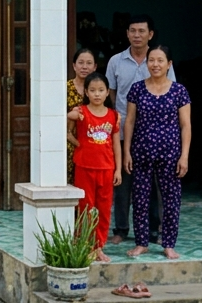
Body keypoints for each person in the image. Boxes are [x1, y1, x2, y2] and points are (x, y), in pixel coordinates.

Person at [105, 15, 174, 244]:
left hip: (153, 135)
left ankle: (153, 230)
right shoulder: (116, 61)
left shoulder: (158, 59)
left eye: (141, 31)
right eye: (132, 31)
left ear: (150, 34)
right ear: (127, 34)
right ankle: (121, 229)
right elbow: (112, 94)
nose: (137, 35)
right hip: (123, 131)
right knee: (123, 182)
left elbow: (171, 91)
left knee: (153, 183)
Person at [123, 45, 192, 260]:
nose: (155, 64)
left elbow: (185, 125)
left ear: (169, 64)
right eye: (151, 60)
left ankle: (168, 244)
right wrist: (126, 152)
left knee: (171, 200)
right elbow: (130, 121)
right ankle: (141, 243)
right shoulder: (137, 89)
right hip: (141, 152)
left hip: (170, 153)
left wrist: (184, 156)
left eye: (160, 60)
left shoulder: (179, 91)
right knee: (141, 199)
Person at [66, 72, 120, 263]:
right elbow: (65, 128)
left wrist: (118, 169)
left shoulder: (113, 116)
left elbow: (116, 145)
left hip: (106, 169)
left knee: (104, 210)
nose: (97, 94)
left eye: (101, 90)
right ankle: (86, 246)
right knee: (85, 209)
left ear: (107, 93)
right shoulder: (81, 112)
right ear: (86, 92)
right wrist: (77, 143)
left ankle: (99, 247)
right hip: (85, 168)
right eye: (92, 90)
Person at [66, 48, 97, 185]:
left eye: (89, 63)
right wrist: (70, 115)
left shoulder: (98, 88)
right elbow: (53, 116)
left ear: (95, 66)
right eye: (81, 62)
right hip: (68, 143)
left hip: (92, 143)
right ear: (74, 65)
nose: (85, 67)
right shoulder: (64, 88)